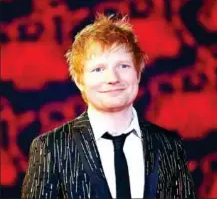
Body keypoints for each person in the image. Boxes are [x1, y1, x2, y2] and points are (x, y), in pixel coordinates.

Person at [21, 13, 196, 199]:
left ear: (138, 73)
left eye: (123, 66)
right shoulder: (51, 148)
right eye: (98, 69)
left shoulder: (170, 145)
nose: (112, 79)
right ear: (79, 80)